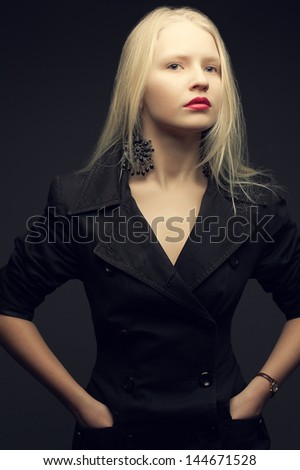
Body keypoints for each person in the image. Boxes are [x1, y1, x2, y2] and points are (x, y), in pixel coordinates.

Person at [0, 5, 300, 451]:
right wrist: (82, 406)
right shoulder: (79, 201)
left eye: (212, 67)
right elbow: (9, 306)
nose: (200, 80)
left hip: (225, 436)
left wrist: (260, 390)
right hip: (115, 438)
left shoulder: (254, 205)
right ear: (137, 86)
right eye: (176, 65)